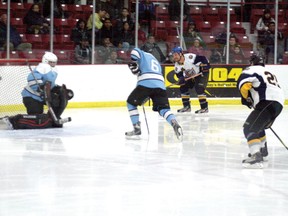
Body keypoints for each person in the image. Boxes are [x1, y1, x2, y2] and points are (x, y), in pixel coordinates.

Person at [3, 52, 74, 130]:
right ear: (46, 61)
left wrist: (58, 89)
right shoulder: (41, 68)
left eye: (54, 62)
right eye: (51, 62)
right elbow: (31, 79)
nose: (53, 64)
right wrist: (40, 87)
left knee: (57, 100)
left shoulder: (54, 70)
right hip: (31, 97)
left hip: (42, 96)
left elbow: (50, 84)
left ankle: (53, 118)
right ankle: (13, 121)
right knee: (37, 119)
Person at [237, 54, 284, 168]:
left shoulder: (251, 69)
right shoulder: (268, 71)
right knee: (259, 126)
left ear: (252, 62)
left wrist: (246, 98)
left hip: (266, 102)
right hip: (278, 104)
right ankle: (262, 150)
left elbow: (243, 85)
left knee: (249, 128)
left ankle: (256, 155)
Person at [125, 48, 183, 140]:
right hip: (160, 85)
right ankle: (173, 122)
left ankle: (136, 127)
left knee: (131, 103)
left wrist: (134, 62)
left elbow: (134, 52)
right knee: (164, 109)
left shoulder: (141, 53)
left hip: (145, 83)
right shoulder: (155, 60)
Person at [171, 46, 211, 113]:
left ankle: (204, 108)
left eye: (176, 54)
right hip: (191, 76)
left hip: (201, 73)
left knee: (199, 87)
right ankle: (186, 107)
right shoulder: (176, 67)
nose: (174, 57)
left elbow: (203, 59)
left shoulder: (190, 57)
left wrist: (205, 66)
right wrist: (181, 80)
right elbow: (180, 77)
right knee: (183, 87)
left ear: (181, 53)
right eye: (173, 55)